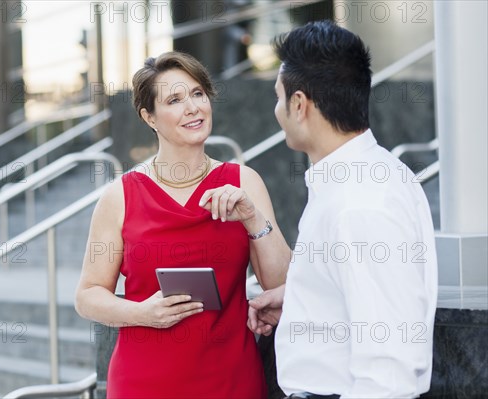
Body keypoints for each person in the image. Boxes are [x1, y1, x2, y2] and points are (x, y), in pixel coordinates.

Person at [75, 51, 291, 398]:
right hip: (142, 381)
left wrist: (253, 218)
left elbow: (280, 284)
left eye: (197, 93)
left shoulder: (244, 182)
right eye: (174, 100)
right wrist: (142, 312)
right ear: (150, 117)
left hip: (230, 380)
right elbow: (87, 296)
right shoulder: (121, 195)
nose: (192, 107)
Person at [248, 21, 438, 398]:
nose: (277, 109)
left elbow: (389, 372)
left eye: (278, 97)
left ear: (299, 104)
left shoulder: (361, 203)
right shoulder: (368, 176)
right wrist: (303, 293)